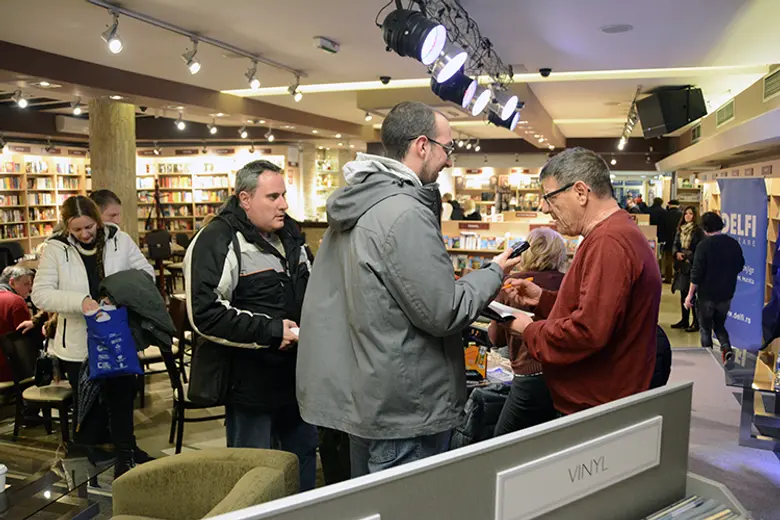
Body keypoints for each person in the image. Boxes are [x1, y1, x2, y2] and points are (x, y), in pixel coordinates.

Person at [296, 101, 522, 476]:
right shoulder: (404, 213)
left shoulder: (360, 205)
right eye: (447, 148)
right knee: (409, 501)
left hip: (368, 395)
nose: (449, 160)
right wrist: (493, 272)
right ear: (422, 145)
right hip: (406, 404)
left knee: (373, 498)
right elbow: (443, 311)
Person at [184, 159, 318, 491]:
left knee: (302, 460)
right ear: (245, 199)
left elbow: (313, 291)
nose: (283, 204)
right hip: (250, 386)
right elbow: (205, 313)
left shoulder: (292, 235)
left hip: (298, 381)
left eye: (283, 195)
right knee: (255, 476)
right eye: (273, 197)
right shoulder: (217, 239)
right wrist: (272, 331)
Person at [502, 147, 662, 416]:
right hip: (601, 398)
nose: (544, 208)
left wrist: (528, 330)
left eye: (550, 197)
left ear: (580, 192)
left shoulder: (609, 241)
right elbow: (601, 309)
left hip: (596, 406)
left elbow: (588, 331)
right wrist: (543, 299)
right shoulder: (614, 233)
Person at [31, 195, 154, 477]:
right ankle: (94, 458)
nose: (85, 234)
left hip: (115, 334)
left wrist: (118, 294)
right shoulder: (55, 248)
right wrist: (80, 302)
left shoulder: (119, 240)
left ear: (98, 221)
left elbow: (145, 274)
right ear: (67, 227)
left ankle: (126, 452)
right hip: (77, 341)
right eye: (77, 229)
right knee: (89, 403)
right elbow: (41, 294)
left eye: (89, 227)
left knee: (122, 396)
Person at [489, 228, 566, 436]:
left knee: (503, 441)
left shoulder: (511, 284)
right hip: (565, 374)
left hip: (529, 375)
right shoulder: (569, 282)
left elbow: (496, 339)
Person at [685, 212, 745, 364]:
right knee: (719, 325)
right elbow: (740, 265)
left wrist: (689, 295)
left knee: (705, 328)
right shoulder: (733, 244)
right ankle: (726, 348)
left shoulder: (703, 246)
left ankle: (708, 359)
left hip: (706, 294)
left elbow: (696, 273)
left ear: (705, 228)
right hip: (726, 293)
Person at [0, 266, 37, 380]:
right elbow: (26, 338)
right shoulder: (16, 302)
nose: (30, 289)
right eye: (26, 284)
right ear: (12, 283)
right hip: (9, 371)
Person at [671, 206, 704, 332]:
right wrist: (676, 253)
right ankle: (684, 320)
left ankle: (696, 322)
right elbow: (675, 243)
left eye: (690, 214)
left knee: (693, 295)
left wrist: (689, 257)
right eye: (686, 213)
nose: (688, 216)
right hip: (682, 265)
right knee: (683, 292)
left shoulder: (698, 231)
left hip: (692, 264)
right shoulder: (680, 229)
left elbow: (700, 248)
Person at [660, 200, 682, 284]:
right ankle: (678, 278)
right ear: (678, 205)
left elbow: (662, 227)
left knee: (668, 260)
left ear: (669, 205)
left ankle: (668, 278)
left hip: (668, 239)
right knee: (678, 260)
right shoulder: (681, 214)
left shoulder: (665, 214)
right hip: (679, 240)